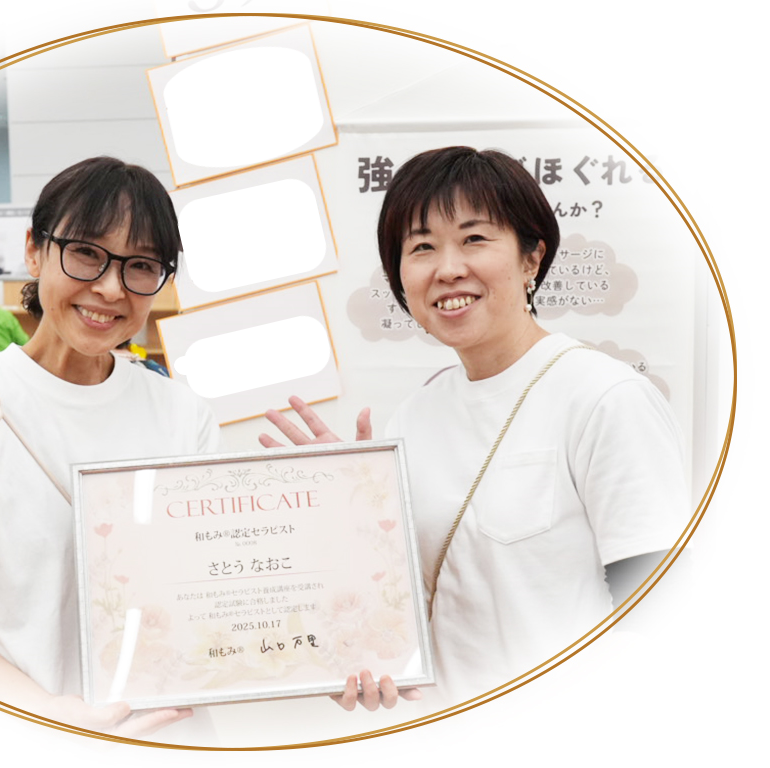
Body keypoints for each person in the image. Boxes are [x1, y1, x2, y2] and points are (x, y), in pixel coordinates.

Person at [260, 146, 688, 706]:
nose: (447, 269)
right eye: (421, 247)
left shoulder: (603, 397)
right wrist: (352, 510)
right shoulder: (415, 415)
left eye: (474, 239)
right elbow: (405, 601)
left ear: (532, 257)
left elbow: (660, 611)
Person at [0, 157, 220, 739]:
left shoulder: (185, 416)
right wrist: (45, 712)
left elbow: (214, 586)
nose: (111, 288)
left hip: (176, 734)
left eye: (141, 265)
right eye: (86, 253)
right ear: (34, 250)